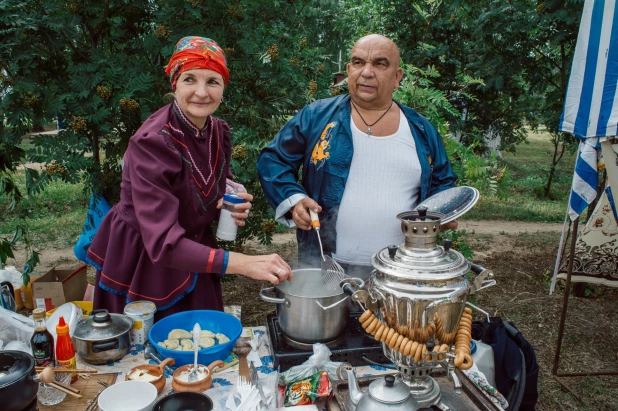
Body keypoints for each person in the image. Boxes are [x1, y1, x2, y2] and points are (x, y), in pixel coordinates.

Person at [88, 36, 292, 320]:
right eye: (190, 79)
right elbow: (162, 243)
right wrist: (243, 263)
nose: (201, 92)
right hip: (148, 256)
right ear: (174, 83)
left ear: (223, 87)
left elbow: (211, 179)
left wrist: (226, 199)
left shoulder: (217, 130)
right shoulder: (152, 143)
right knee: (154, 344)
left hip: (194, 247)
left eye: (212, 81)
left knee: (202, 336)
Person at [257, 34, 457, 279]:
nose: (367, 72)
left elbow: (443, 182)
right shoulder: (317, 117)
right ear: (348, 70)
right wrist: (294, 199)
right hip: (326, 267)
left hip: (402, 271)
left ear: (397, 77)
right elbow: (273, 160)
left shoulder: (421, 130)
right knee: (329, 319)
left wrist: (442, 214)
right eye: (359, 62)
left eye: (380, 64)